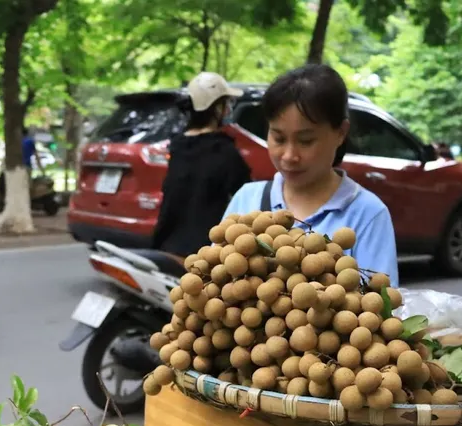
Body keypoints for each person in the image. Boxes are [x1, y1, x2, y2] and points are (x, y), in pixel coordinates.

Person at [223, 64, 398, 283]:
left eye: (306, 141)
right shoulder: (246, 200)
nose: (289, 155)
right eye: (278, 138)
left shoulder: (368, 214)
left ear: (340, 133)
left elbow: (380, 306)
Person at [151, 72, 251, 258]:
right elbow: (245, 198)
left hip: (166, 246)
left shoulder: (178, 147)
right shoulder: (224, 150)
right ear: (216, 108)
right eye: (225, 103)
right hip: (206, 254)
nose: (228, 109)